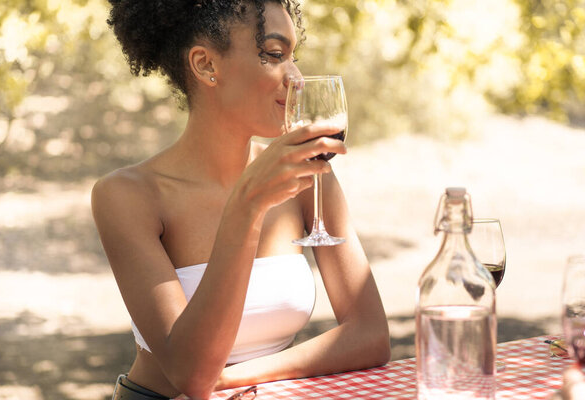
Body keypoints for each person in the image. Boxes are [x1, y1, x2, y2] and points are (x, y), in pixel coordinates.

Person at [91, 0, 390, 399]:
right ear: (205, 65)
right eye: (274, 55)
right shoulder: (127, 196)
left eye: (294, 57)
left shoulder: (305, 176)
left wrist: (238, 377)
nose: (296, 77)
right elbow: (191, 377)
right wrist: (246, 206)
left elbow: (371, 335)